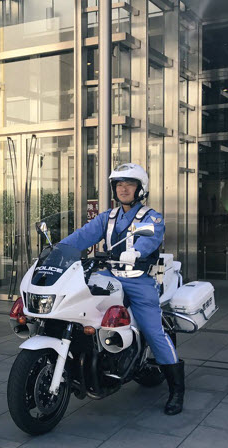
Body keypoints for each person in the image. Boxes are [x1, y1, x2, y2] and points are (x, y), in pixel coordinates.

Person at [60, 163, 184, 415]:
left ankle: (176, 390)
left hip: (139, 280)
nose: (123, 189)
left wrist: (136, 252)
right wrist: (58, 249)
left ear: (140, 189)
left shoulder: (151, 217)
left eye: (129, 184)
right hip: (108, 275)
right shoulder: (107, 217)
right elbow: (82, 236)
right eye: (119, 185)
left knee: (153, 330)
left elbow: (150, 238)